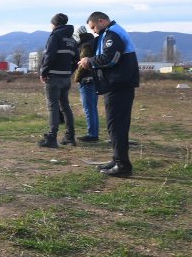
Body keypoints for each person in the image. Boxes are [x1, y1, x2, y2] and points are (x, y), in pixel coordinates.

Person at [78, 12, 139, 177]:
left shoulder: (112, 34)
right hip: (117, 85)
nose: (94, 31)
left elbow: (111, 58)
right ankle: (117, 159)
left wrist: (88, 61)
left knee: (116, 126)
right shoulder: (109, 33)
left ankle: (123, 165)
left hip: (118, 85)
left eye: (94, 27)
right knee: (115, 126)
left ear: (102, 21)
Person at [38, 13, 78, 148]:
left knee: (53, 107)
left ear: (54, 24)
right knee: (65, 107)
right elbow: (76, 61)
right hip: (66, 78)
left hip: (53, 77)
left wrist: (43, 72)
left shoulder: (55, 36)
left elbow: (49, 55)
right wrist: (68, 73)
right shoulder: (72, 40)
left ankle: (52, 137)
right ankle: (70, 137)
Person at [73, 25, 99, 142]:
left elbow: (83, 65)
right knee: (93, 108)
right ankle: (94, 133)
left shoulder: (84, 46)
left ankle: (92, 134)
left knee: (89, 108)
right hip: (94, 79)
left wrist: (77, 78)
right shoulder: (93, 42)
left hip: (87, 80)